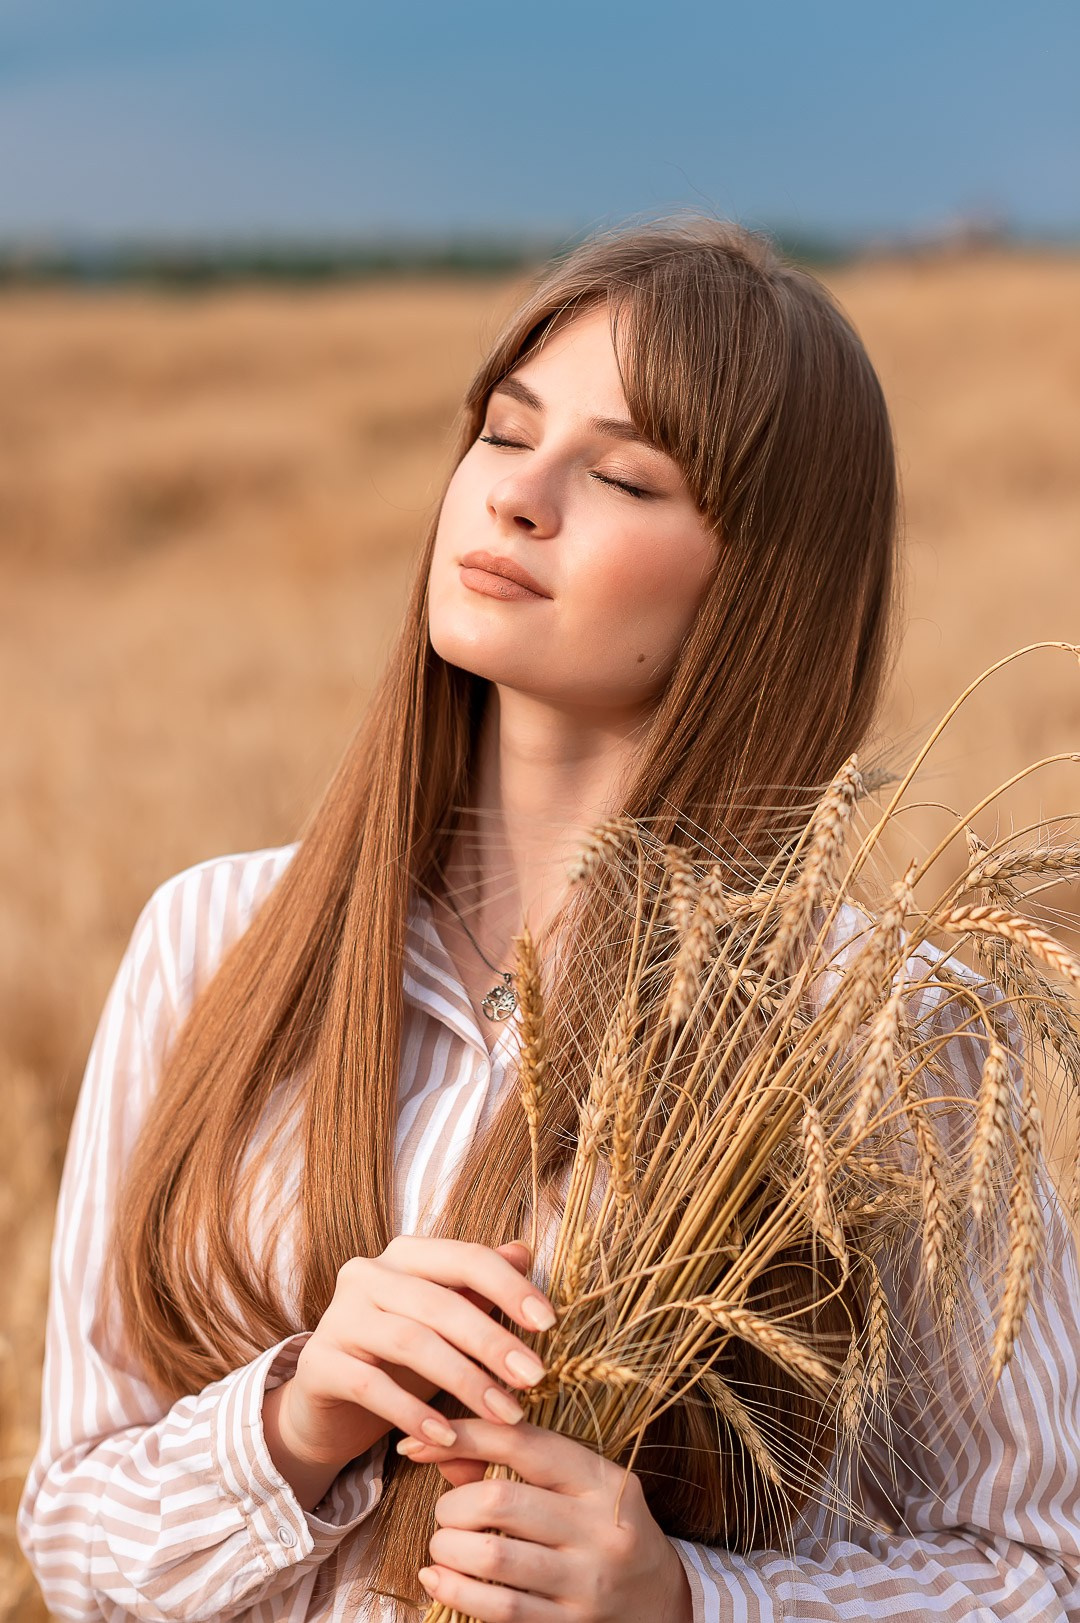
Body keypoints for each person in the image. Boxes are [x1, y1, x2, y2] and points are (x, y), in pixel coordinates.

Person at [17, 214, 1080, 1622]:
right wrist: (296, 1420)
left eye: (626, 475)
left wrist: (687, 1603)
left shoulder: (889, 1030)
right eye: (506, 435)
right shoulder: (210, 939)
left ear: (761, 580)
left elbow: (1038, 1572)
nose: (517, 499)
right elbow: (73, 1540)